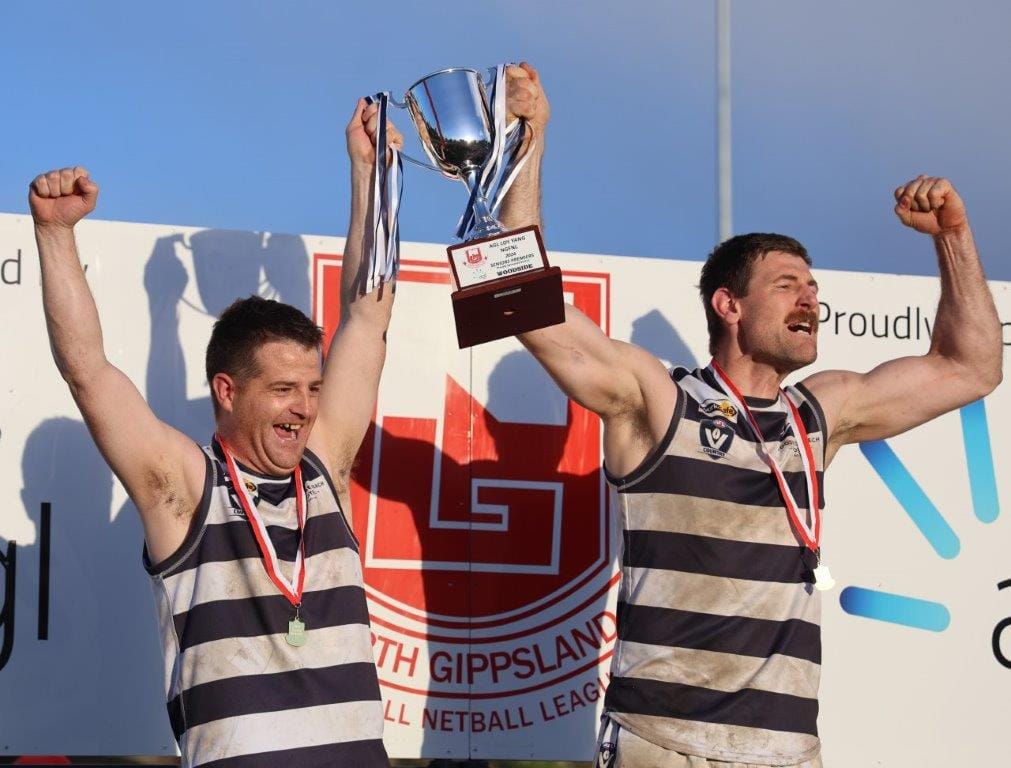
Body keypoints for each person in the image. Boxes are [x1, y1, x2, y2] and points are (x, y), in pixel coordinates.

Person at [501, 64, 1003, 767]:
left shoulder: (820, 413)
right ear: (727, 306)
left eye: (813, 287)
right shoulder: (659, 399)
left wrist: (951, 234)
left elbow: (971, 367)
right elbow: (523, 300)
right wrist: (531, 137)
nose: (809, 299)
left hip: (784, 751)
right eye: (786, 284)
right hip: (659, 743)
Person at [28, 99, 403, 767]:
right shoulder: (182, 488)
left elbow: (367, 316)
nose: (304, 409)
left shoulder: (325, 468)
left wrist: (370, 178)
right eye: (283, 390)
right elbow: (88, 372)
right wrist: (56, 235)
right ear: (227, 392)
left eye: (313, 389)